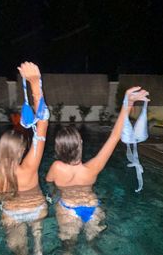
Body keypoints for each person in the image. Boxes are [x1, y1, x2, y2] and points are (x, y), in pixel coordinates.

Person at [46, 86, 149, 244]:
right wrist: (127, 103)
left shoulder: (56, 167)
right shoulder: (92, 167)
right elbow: (115, 136)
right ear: (80, 143)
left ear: (59, 148)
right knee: (93, 245)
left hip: (68, 209)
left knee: (68, 249)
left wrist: (54, 195)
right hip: (93, 207)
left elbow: (49, 183)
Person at [0, 62, 49, 255]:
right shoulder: (30, 167)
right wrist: (35, 84)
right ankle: (39, 249)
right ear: (21, 150)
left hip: (12, 215)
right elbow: (43, 124)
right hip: (38, 209)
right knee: (36, 233)